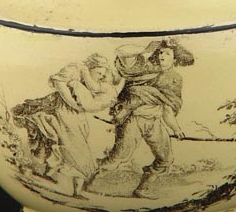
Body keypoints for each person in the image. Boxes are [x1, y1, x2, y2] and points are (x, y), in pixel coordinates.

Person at [89, 39, 194, 199]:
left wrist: (176, 129)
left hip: (154, 122)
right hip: (133, 119)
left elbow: (168, 108)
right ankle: (89, 181)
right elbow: (121, 51)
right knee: (119, 157)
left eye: (167, 53)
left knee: (165, 159)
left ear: (175, 59)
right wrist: (145, 50)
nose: (162, 55)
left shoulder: (175, 79)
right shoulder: (144, 69)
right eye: (160, 52)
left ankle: (143, 189)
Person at [12, 54, 119, 198]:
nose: (101, 77)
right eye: (99, 73)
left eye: (103, 75)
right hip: (61, 109)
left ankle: (74, 189)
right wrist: (73, 103)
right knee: (72, 145)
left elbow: (90, 102)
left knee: (73, 144)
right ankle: (41, 172)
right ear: (91, 67)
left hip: (76, 115)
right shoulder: (75, 69)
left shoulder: (91, 83)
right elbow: (59, 83)